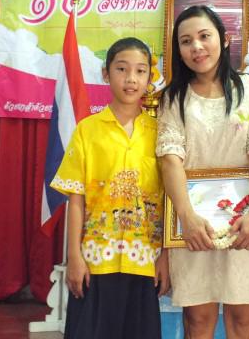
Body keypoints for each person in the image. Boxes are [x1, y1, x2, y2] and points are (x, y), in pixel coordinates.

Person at [156, 5, 249, 338]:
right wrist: (186, 217)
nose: (196, 47)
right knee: (197, 320)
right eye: (186, 41)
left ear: (225, 40)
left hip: (246, 222)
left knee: (243, 318)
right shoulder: (173, 99)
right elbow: (170, 159)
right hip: (193, 224)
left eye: (204, 36)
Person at [50, 37, 169, 339]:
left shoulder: (161, 133)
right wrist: (74, 257)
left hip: (144, 260)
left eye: (141, 71)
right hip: (95, 261)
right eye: (121, 69)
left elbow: (169, 200)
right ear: (106, 74)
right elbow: (76, 199)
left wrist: (165, 257)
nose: (131, 79)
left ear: (150, 77)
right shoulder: (87, 130)